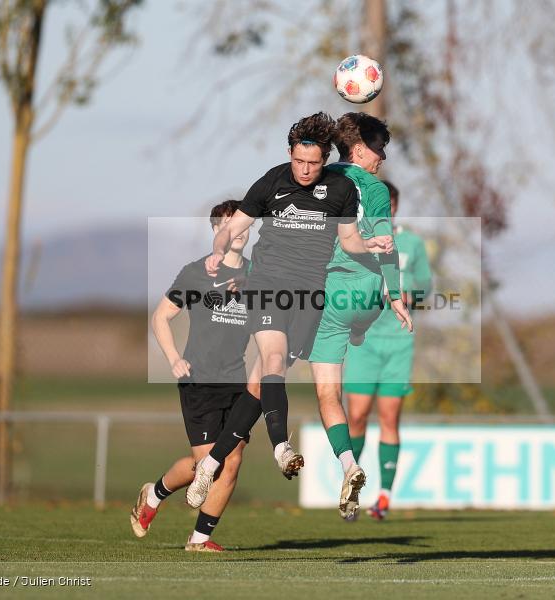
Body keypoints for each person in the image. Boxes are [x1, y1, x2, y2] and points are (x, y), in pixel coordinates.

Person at [185, 112, 394, 509]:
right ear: (290, 154)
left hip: (308, 294)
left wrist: (373, 247)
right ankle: (282, 446)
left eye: (313, 163)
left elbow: (349, 240)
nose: (305, 170)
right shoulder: (272, 180)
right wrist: (217, 251)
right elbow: (234, 226)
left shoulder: (341, 189)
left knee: (259, 385)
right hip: (267, 285)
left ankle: (210, 464)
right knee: (274, 359)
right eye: (299, 161)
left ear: (326, 158)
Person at [131, 200, 260, 552]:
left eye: (245, 225)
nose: (240, 232)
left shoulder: (257, 275)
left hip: (237, 382)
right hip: (199, 380)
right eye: (231, 226)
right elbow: (160, 318)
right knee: (207, 465)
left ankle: (200, 539)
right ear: (217, 231)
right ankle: (155, 493)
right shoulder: (196, 273)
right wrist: (174, 358)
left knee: (232, 459)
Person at [307, 112, 412, 519]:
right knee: (357, 330)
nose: (382, 157)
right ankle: (353, 472)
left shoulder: (319, 179)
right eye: (380, 148)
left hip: (329, 298)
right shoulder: (376, 189)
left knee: (326, 393)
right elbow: (386, 245)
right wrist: (397, 296)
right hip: (367, 297)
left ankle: (347, 464)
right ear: (360, 148)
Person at [344, 181, 433, 520]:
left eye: (388, 205)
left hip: (398, 343)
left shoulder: (411, 243)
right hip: (363, 342)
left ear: (395, 207)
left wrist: (413, 297)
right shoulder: (354, 242)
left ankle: (384, 496)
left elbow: (426, 287)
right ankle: (350, 488)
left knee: (389, 417)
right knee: (356, 416)